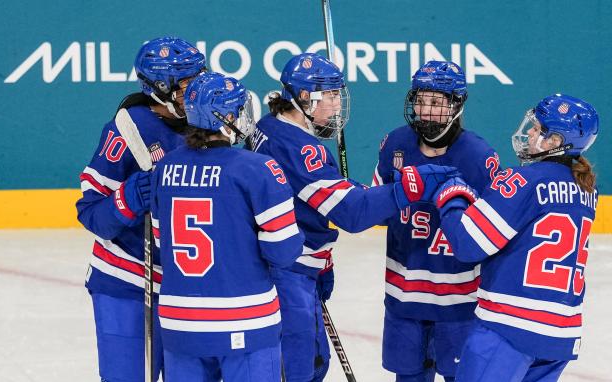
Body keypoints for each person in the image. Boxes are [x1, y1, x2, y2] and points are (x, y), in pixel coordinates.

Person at [246, 52, 453, 381]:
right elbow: (352, 214)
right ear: (304, 98)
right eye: (330, 96)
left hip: (288, 264)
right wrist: (406, 190)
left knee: (309, 360)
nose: (337, 105)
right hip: (288, 272)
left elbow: (313, 196)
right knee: (300, 367)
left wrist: (355, 195)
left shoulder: (268, 126)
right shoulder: (299, 148)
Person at [431, 94, 598, 382]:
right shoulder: (586, 191)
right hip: (560, 335)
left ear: (555, 141)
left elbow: (468, 243)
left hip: (510, 328)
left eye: (538, 128)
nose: (530, 132)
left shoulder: (524, 180)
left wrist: (451, 197)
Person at [149, 71, 303, 381]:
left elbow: (161, 242)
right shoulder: (258, 169)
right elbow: (284, 252)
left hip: (181, 323)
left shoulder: (164, 168)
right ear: (226, 116)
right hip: (245, 319)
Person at [76, 37, 205, 382]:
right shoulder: (128, 129)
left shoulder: (206, 122)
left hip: (190, 288)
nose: (197, 91)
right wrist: (129, 197)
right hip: (128, 282)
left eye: (200, 78)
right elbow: (91, 212)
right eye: (188, 84)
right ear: (160, 89)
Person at [371, 61, 500, 382]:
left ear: (457, 105)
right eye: (421, 100)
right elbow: (377, 210)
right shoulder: (395, 145)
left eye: (437, 103)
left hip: (459, 302)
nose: (426, 112)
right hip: (403, 297)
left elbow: (493, 233)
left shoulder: (478, 157)